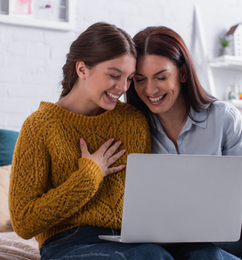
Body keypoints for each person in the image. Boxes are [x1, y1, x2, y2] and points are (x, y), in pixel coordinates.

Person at [126, 26, 242, 260]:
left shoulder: (224, 118)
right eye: (140, 80)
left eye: (162, 77)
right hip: (173, 245)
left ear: (184, 73)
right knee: (201, 254)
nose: (150, 89)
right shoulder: (133, 128)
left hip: (227, 237)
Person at [9, 22, 174, 260]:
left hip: (127, 241)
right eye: (114, 75)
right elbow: (24, 222)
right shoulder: (40, 126)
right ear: (82, 69)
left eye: (129, 78)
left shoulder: (133, 121)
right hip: (67, 243)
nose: (122, 87)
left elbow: (142, 201)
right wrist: (90, 175)